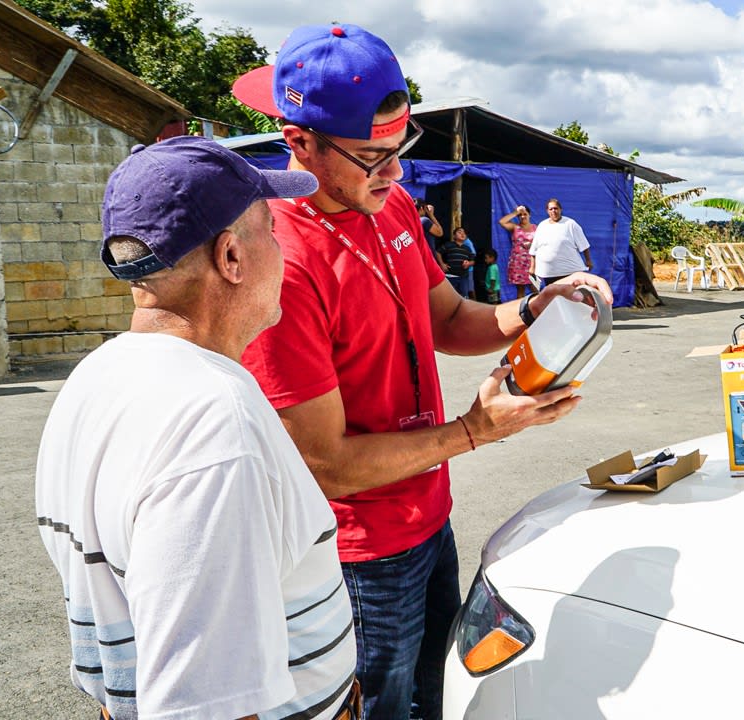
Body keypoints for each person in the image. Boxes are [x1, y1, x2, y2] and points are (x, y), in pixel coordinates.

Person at [230, 23, 614, 720]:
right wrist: (473, 432)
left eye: (399, 149)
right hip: (356, 552)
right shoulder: (278, 262)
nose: (396, 172)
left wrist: (533, 308)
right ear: (300, 143)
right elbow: (330, 465)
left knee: (431, 698)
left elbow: (446, 318)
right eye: (373, 156)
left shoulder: (391, 206)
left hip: (426, 519)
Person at [35, 136, 360, 720]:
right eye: (272, 232)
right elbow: (203, 703)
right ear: (231, 257)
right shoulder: (214, 421)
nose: (283, 252)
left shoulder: (98, 374)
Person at [530, 197, 593, 284]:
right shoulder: (542, 226)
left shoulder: (571, 224)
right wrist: (532, 267)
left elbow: (584, 245)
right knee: (553, 297)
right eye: (551, 209)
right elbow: (534, 249)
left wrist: (588, 260)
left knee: (571, 296)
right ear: (547, 211)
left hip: (569, 272)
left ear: (560, 209)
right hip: (549, 273)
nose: (553, 211)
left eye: (555, 208)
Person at [498, 204, 536, 297]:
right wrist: (515, 212)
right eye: (520, 215)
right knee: (520, 290)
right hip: (517, 263)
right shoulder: (515, 227)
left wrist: (533, 245)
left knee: (535, 288)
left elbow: (543, 244)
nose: (523, 216)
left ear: (529, 215)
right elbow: (502, 221)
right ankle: (520, 311)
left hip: (532, 263)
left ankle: (540, 309)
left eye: (525, 214)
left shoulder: (536, 228)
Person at [441, 226, 475, 296]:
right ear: (454, 235)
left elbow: (473, 261)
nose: (462, 234)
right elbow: (438, 252)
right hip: (450, 276)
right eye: (459, 232)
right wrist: (442, 264)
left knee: (464, 297)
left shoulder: (467, 248)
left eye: (464, 233)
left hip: (463, 277)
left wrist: (468, 263)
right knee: (450, 297)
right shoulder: (449, 245)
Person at [415, 197, 445, 267]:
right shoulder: (424, 220)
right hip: (428, 258)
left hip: (418, 257)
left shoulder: (411, 221)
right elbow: (440, 233)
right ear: (422, 208)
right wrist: (431, 215)